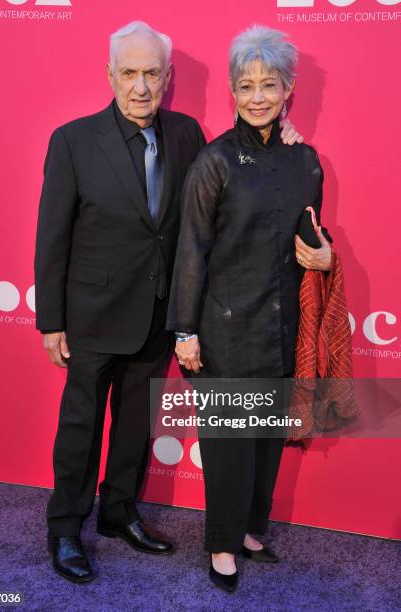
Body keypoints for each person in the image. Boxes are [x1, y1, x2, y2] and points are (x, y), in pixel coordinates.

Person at [35, 21, 303, 583]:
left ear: (168, 78)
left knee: (134, 423)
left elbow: (230, 185)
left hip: (156, 314)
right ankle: (65, 529)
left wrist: (287, 138)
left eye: (151, 73)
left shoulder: (186, 135)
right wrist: (51, 321)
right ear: (110, 75)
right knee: (81, 425)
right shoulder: (73, 141)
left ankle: (119, 513)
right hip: (92, 316)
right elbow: (52, 236)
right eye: (128, 73)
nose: (140, 85)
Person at [166, 25, 332, 592]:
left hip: (282, 323)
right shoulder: (214, 162)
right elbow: (191, 246)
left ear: (288, 89)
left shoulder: (306, 160)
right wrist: (185, 328)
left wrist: (327, 252)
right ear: (233, 93)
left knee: (265, 441)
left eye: (269, 85)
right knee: (229, 445)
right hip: (225, 328)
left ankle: (252, 529)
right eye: (245, 85)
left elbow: (312, 237)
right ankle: (221, 544)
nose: (257, 96)